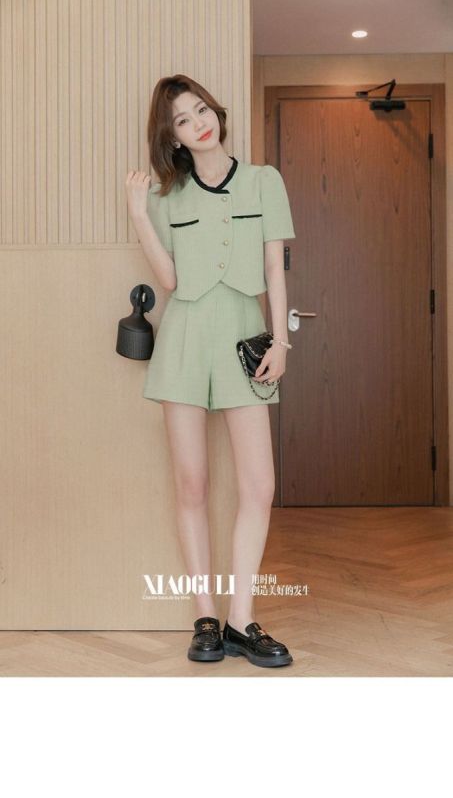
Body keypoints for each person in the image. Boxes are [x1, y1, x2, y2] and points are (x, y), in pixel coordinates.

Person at [125, 74, 295, 668]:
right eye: (182, 119)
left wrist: (282, 341)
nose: (198, 122)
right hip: (185, 341)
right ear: (172, 136)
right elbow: (171, 281)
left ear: (216, 112)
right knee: (192, 484)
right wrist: (138, 213)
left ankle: (242, 620)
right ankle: (205, 619)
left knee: (259, 485)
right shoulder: (167, 196)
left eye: (201, 109)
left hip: (246, 341)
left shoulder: (264, 181)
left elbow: (274, 269)